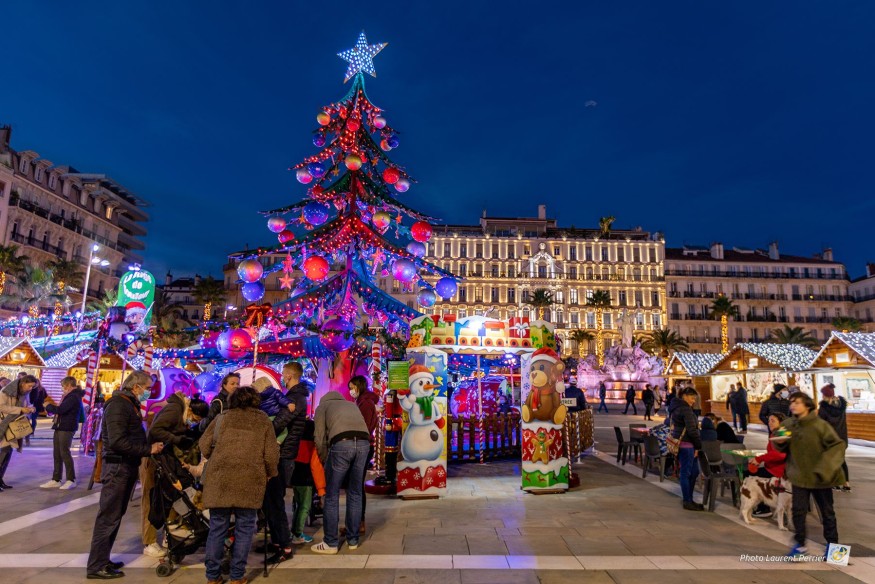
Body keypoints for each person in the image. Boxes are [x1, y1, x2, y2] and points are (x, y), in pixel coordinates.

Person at [86, 370, 163, 579]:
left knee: (114, 517)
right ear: (135, 386)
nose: (148, 392)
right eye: (147, 388)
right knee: (108, 517)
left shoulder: (128, 403)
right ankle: (96, 566)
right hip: (118, 467)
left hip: (125, 466)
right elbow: (118, 441)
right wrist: (148, 450)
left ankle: (103, 560)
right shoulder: (120, 404)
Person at [200, 386, 279, 584]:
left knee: (217, 527)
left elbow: (203, 445)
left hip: (220, 478)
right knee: (245, 527)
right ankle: (236, 576)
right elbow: (271, 454)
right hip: (250, 478)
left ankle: (212, 576)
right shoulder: (262, 421)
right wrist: (271, 473)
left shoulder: (222, 418)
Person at [774, 392, 845, 557]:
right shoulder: (788, 424)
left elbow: (837, 446)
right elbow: (781, 442)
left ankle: (835, 550)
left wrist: (825, 468)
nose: (793, 405)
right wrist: (780, 442)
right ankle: (800, 546)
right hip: (800, 476)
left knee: (827, 513)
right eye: (792, 402)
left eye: (797, 402)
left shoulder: (820, 425)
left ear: (807, 405)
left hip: (821, 477)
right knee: (798, 511)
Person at [258, 362, 310, 565]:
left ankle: (284, 546)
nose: (281, 376)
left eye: (283, 374)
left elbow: (279, 423)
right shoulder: (294, 396)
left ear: (289, 375)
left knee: (275, 501)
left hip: (283, 454)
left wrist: (261, 429)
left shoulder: (296, 398)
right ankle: (279, 541)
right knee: (271, 501)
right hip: (282, 453)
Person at [311, 389, 371, 554]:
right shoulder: (351, 405)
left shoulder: (322, 407)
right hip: (364, 444)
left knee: (331, 495)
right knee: (355, 493)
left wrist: (324, 459)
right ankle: (353, 540)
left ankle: (330, 542)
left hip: (341, 444)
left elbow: (319, 437)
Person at [142, 390, 194, 558]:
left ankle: (166, 537)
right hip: (153, 460)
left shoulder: (175, 408)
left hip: (162, 459)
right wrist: (177, 439)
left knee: (165, 498)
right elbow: (155, 431)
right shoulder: (174, 409)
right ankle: (149, 542)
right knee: (152, 499)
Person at [41, 376, 84, 490]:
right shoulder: (68, 396)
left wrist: (48, 406)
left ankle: (71, 479)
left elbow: (61, 410)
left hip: (67, 427)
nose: (62, 388)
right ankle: (56, 479)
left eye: (63, 386)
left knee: (64, 453)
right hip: (60, 426)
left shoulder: (73, 396)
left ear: (69, 385)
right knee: (57, 453)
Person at [289, 419, 326, 545]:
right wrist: (321, 488)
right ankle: (298, 534)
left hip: (295, 478)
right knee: (305, 506)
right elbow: (315, 467)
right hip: (306, 480)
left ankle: (294, 531)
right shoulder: (312, 446)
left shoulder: (295, 443)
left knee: (298, 505)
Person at [350, 375, 379, 534]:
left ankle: (358, 522)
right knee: (356, 485)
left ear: (359, 387)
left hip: (363, 445)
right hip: (362, 445)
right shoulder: (361, 401)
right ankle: (356, 522)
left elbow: (365, 427)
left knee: (356, 485)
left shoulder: (365, 403)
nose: (350, 391)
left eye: (352, 387)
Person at [0, 374, 38, 491]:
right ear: (23, 383)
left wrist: (30, 408)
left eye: (33, 387)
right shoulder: (5, 392)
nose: (31, 388)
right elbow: (1, 407)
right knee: (4, 452)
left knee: (7, 453)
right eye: (30, 386)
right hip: (4, 424)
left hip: (14, 425)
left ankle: (0, 480)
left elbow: (25, 406)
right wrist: (20, 409)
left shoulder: (24, 393)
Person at [747, 412, 788, 518]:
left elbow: (780, 454)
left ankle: (763, 507)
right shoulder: (777, 433)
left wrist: (759, 459)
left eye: (773, 421)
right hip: (774, 468)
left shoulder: (780, 434)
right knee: (754, 472)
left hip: (779, 471)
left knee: (752, 477)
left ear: (781, 422)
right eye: (769, 420)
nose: (769, 423)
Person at [671, 388, 704, 511]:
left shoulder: (675, 407)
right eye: (692, 397)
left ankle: (689, 499)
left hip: (682, 443)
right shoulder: (685, 409)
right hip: (688, 445)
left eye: (694, 398)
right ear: (684, 396)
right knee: (686, 473)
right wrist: (698, 446)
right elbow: (692, 430)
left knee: (693, 472)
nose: (694, 400)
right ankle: (687, 500)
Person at [818, 384, 850, 492]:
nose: (822, 397)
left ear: (826, 395)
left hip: (829, 438)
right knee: (841, 460)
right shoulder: (841, 406)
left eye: (823, 394)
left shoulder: (824, 408)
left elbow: (820, 423)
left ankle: (835, 482)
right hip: (842, 437)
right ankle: (846, 483)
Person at [26, 380, 47, 446]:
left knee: (32, 419)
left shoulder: (35, 389)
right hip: (36, 406)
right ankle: (31, 432)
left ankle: (30, 432)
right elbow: (46, 395)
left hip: (34, 406)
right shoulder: (41, 389)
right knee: (32, 419)